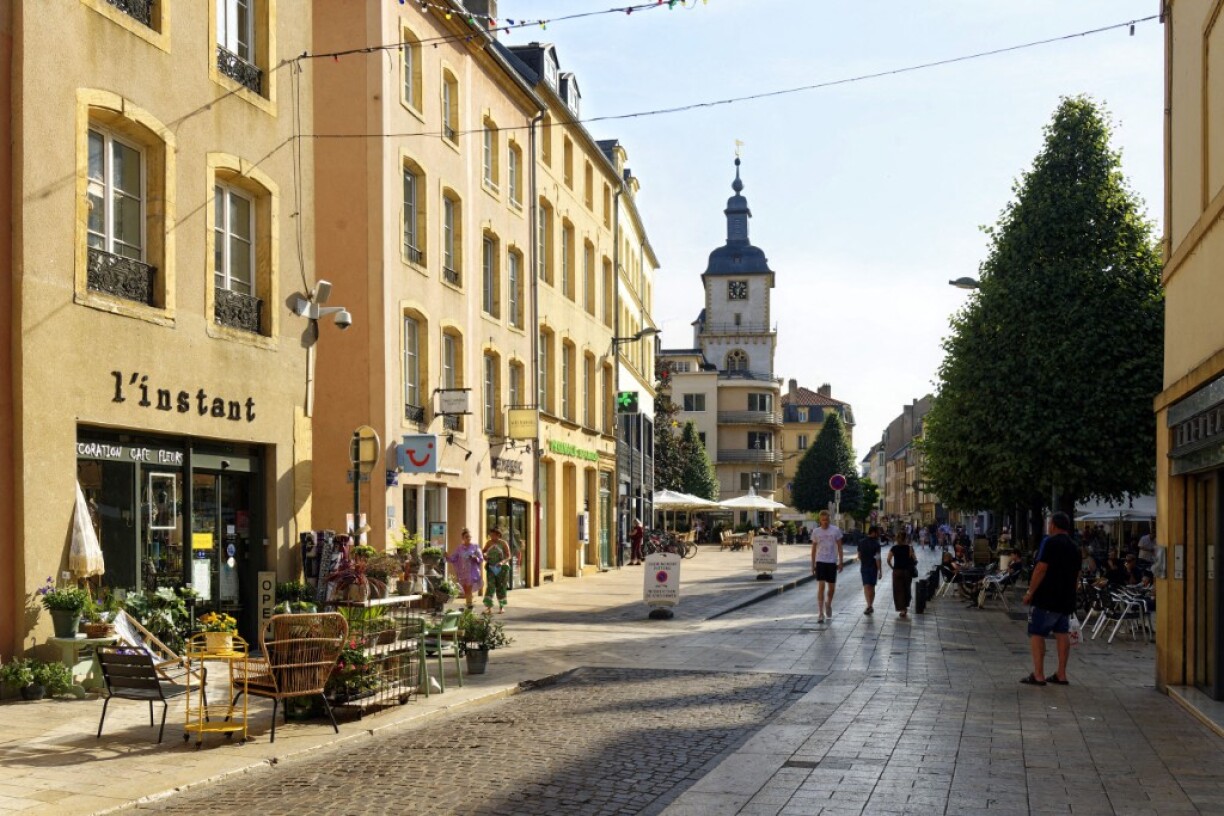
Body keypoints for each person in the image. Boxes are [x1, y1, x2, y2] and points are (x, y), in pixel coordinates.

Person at [1020, 512, 1080, 686]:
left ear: (1053, 525)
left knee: (1037, 633)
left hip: (1046, 597)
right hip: (1066, 599)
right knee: (1062, 634)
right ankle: (1061, 673)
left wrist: (1030, 592)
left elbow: (1041, 568)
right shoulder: (1074, 547)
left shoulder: (1050, 542)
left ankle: (1038, 674)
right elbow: (1077, 575)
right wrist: (1072, 593)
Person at [809, 510, 843, 623]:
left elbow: (840, 547)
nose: (825, 522)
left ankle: (828, 603)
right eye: (823, 520)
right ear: (820, 520)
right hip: (820, 561)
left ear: (830, 519)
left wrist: (841, 562)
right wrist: (812, 564)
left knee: (831, 588)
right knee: (821, 587)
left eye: (827, 520)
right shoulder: (816, 532)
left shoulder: (835, 530)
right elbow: (813, 549)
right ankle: (820, 613)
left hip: (832, 561)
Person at [444, 528, 484, 610]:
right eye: (466, 537)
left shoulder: (475, 547)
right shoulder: (459, 548)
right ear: (463, 538)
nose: (468, 538)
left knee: (469, 588)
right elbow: (453, 558)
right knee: (466, 591)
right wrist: (447, 556)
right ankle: (469, 604)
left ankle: (469, 607)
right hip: (463, 572)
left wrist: (475, 558)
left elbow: (481, 558)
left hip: (472, 572)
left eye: (469, 537)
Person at [887, 531, 917, 618]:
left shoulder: (894, 548)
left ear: (897, 539)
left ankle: (902, 609)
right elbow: (915, 559)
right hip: (907, 571)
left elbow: (888, 560)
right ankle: (905, 607)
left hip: (897, 572)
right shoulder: (909, 548)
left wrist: (893, 568)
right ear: (906, 538)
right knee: (906, 589)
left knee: (898, 590)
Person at [482, 527, 511, 613]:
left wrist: (502, 562)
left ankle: (501, 607)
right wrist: (485, 555)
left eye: (493, 535)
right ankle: (489, 608)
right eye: (490, 535)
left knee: (501, 587)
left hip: (502, 569)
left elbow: (508, 556)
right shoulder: (489, 543)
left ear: (498, 535)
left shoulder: (503, 543)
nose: (491, 537)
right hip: (491, 568)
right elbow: (483, 551)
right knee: (490, 587)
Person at [858, 526, 883, 615]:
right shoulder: (876, 544)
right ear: (874, 532)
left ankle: (869, 605)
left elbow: (859, 556)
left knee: (866, 586)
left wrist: (865, 560)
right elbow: (878, 558)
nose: (879, 534)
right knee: (871, 587)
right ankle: (870, 605)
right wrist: (880, 570)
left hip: (864, 567)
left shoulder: (861, 542)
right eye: (878, 532)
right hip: (873, 568)